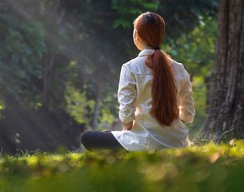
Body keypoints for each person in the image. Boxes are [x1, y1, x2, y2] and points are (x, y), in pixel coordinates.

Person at [80, 12, 195, 151]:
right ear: (160, 35)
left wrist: (127, 130)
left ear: (137, 36)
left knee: (88, 137)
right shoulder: (179, 68)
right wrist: (170, 129)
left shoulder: (130, 67)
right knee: (106, 134)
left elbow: (126, 112)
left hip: (143, 144)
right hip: (178, 143)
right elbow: (188, 113)